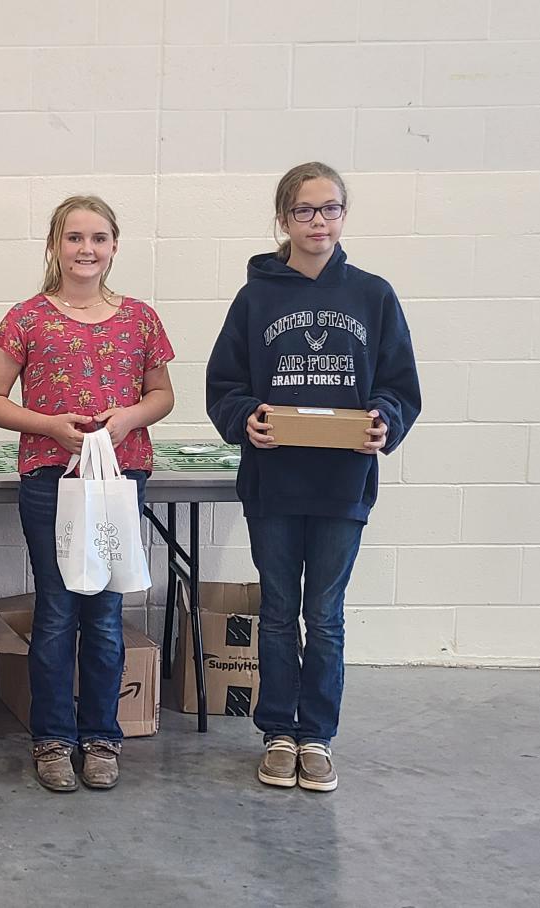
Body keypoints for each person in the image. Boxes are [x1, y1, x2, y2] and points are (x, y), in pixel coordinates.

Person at [206, 162, 421, 793]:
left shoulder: (373, 295)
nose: (318, 221)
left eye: (330, 209)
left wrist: (387, 420)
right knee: (277, 612)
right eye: (305, 210)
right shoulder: (255, 299)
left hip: (342, 484)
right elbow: (224, 386)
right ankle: (277, 732)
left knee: (324, 615)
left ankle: (317, 737)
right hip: (274, 485)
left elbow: (399, 386)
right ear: (284, 219)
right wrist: (247, 419)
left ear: (344, 216)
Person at [0, 196, 174, 793]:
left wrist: (129, 418)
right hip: (51, 480)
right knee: (58, 611)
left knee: (106, 613)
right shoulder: (27, 319)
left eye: (99, 238)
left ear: (115, 246)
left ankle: (102, 737)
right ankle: (54, 738)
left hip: (118, 479)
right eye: (74, 238)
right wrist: (49, 425)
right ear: (55, 244)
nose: (86, 250)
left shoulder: (140, 318)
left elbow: (163, 395)